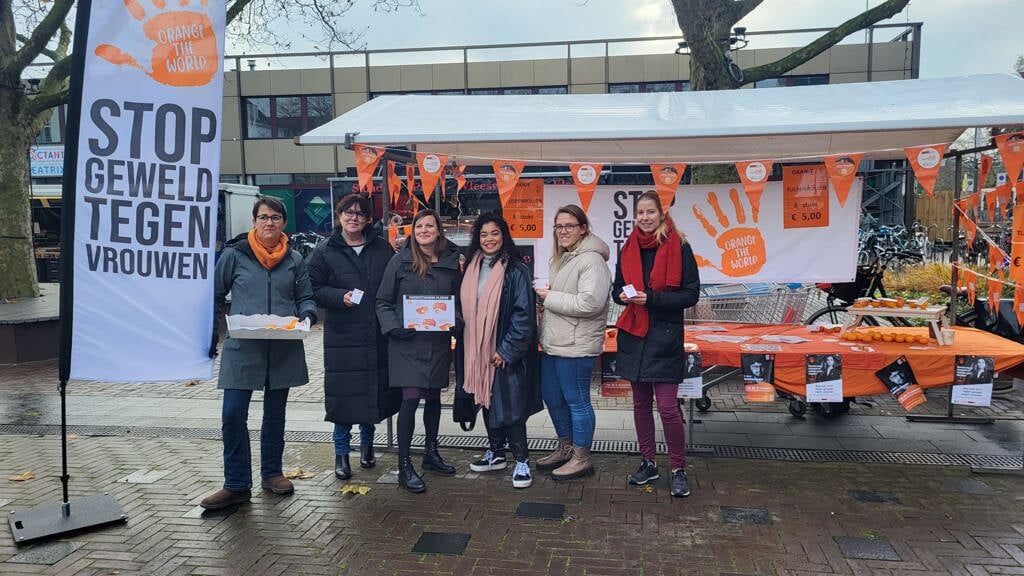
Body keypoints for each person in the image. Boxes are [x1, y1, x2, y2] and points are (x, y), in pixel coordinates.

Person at [201, 197, 317, 510]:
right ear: (254, 221)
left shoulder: (294, 259)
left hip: (282, 348)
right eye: (264, 217)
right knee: (232, 413)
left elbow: (306, 297)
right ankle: (236, 484)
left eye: (276, 218)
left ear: (283, 223)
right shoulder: (234, 255)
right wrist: (211, 336)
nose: (269, 223)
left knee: (275, 415)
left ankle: (272, 473)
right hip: (243, 348)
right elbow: (212, 294)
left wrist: (307, 316)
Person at [612, 190, 700, 498]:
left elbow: (691, 295)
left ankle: (678, 468)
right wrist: (621, 296)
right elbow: (616, 288)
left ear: (662, 214)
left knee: (667, 408)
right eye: (641, 213)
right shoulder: (627, 248)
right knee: (639, 405)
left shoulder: (681, 246)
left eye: (651, 212)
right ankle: (648, 461)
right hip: (635, 337)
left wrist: (653, 298)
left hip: (665, 338)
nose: (645, 218)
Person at [307, 194, 400, 481]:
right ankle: (341, 454)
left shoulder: (382, 248)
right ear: (339, 216)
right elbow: (312, 288)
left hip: (375, 334)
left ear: (368, 219)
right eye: (348, 212)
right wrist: (338, 297)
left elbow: (396, 284)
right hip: (342, 338)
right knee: (343, 399)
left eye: (360, 214)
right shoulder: (324, 252)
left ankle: (368, 447)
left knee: (371, 393)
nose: (354, 218)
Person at [376, 209, 463, 493]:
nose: (424, 230)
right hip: (406, 344)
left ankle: (431, 452)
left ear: (439, 231)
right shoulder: (399, 261)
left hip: (436, 344)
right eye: (419, 226)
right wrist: (393, 328)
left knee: (434, 399)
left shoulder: (451, 262)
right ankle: (404, 464)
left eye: (430, 225)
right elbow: (383, 301)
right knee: (410, 400)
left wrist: (456, 322)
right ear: (413, 231)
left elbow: (458, 302)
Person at [458, 213, 542, 488]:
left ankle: (521, 460)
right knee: (486, 399)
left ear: (503, 236)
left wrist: (506, 351)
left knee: (511, 407)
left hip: (506, 354)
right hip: (478, 350)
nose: (489, 239)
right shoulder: (471, 266)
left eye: (494, 233)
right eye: (483, 234)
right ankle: (495, 452)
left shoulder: (516, 270)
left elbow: (524, 316)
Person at [534, 204, 611, 481]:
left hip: (577, 346)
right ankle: (565, 446)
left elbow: (591, 302)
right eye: (558, 226)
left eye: (569, 226)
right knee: (553, 398)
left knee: (576, 401)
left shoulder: (592, 260)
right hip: (555, 342)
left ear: (583, 228)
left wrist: (548, 298)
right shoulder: (563, 258)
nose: (563, 231)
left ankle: (582, 457)